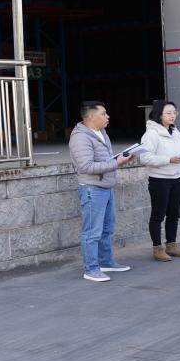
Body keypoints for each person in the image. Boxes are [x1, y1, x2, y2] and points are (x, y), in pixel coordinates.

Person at [68, 101, 133, 282]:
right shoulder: (80, 138)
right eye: (103, 114)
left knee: (106, 228)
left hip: (105, 186)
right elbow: (86, 166)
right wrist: (116, 162)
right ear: (90, 117)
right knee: (92, 232)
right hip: (92, 189)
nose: (107, 116)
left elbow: (104, 159)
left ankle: (106, 262)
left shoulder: (101, 132)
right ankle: (91, 269)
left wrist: (121, 158)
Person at [139, 100, 180, 262]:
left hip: (176, 177)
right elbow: (145, 158)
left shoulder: (175, 131)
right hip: (159, 180)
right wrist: (169, 159)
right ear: (159, 114)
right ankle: (157, 248)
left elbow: (179, 152)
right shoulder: (151, 134)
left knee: (174, 214)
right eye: (168, 113)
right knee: (158, 215)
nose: (172, 116)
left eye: (174, 112)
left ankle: (171, 245)